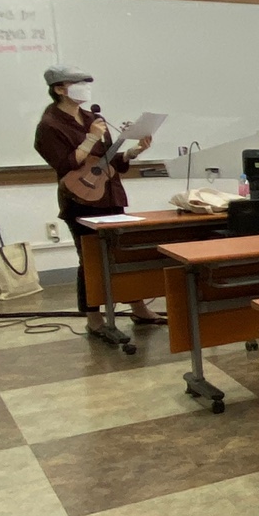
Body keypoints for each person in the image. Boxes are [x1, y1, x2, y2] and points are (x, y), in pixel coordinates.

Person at [32, 66, 162, 333]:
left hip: (110, 194)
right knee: (90, 259)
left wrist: (133, 152)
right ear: (60, 89)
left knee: (123, 254)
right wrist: (91, 136)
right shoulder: (49, 125)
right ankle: (94, 318)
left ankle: (138, 307)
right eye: (78, 83)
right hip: (81, 199)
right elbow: (65, 164)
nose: (86, 88)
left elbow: (108, 161)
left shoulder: (94, 117)